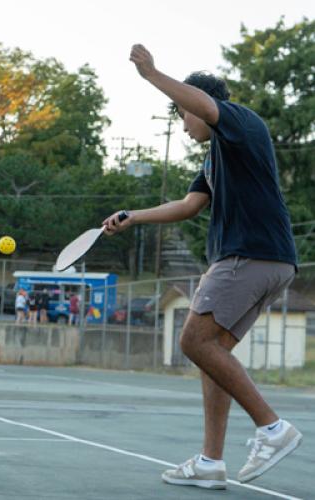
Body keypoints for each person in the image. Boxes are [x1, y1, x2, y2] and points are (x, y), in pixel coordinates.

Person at [102, 44, 301, 489]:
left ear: (197, 105)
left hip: (247, 255)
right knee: (213, 354)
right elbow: (190, 205)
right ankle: (211, 461)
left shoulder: (240, 122)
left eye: (182, 113)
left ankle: (272, 427)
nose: (183, 122)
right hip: (267, 261)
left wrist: (153, 75)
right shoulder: (215, 158)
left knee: (193, 341)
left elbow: (207, 107)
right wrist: (133, 216)